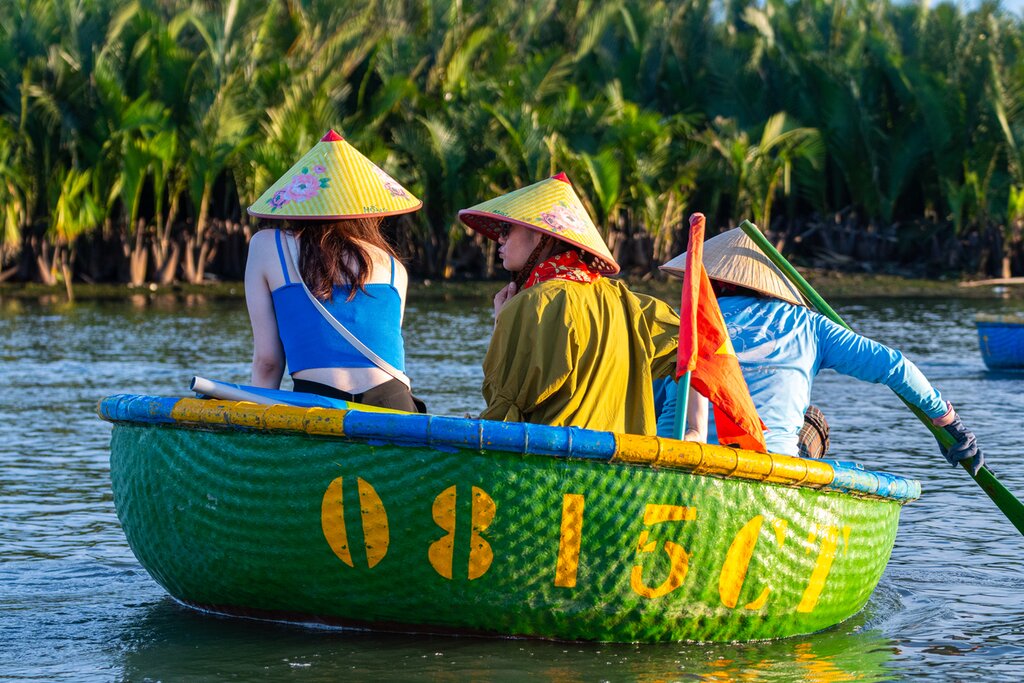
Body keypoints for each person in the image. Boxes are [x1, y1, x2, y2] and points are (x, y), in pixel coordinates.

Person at [659, 227, 984, 474]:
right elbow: (895, 366)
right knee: (813, 420)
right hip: (769, 464)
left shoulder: (681, 324)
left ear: (711, 285)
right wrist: (951, 424)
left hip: (676, 460)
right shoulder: (808, 324)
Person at [457, 172, 680, 434]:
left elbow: (503, 407)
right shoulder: (633, 304)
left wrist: (501, 324)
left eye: (507, 229)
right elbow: (692, 351)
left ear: (542, 236)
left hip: (548, 467)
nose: (500, 240)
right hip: (618, 466)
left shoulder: (534, 303)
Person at [243, 130, 423, 412]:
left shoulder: (268, 246)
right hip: (395, 403)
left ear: (301, 199)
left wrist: (255, 432)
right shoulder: (393, 267)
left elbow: (268, 362)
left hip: (318, 402)